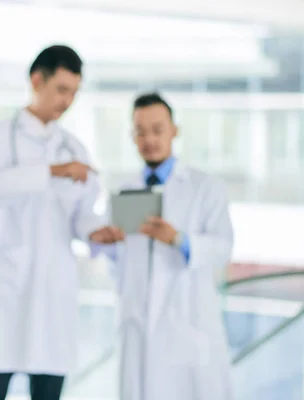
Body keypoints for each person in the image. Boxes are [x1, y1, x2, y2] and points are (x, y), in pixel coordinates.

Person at [0, 44, 104, 400]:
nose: (68, 101)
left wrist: (99, 231)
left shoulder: (75, 149)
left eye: (74, 92)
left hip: (52, 289)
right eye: (61, 90)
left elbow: (82, 216)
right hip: (3, 287)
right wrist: (53, 172)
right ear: (36, 80)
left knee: (48, 390)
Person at [90, 92, 234, 400]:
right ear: (132, 136)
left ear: (174, 130)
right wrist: (109, 243)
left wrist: (179, 240)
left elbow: (222, 248)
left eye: (157, 129)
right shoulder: (124, 192)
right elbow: (120, 266)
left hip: (187, 320)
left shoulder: (204, 188)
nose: (149, 139)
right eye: (140, 132)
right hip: (137, 324)